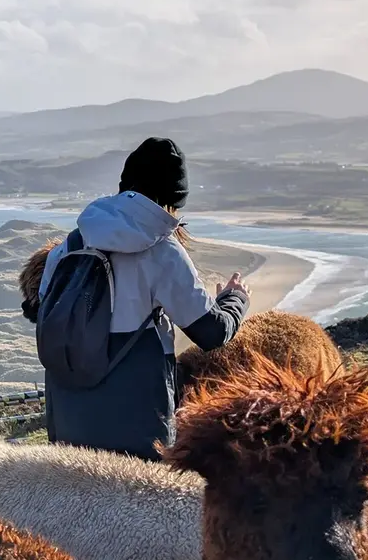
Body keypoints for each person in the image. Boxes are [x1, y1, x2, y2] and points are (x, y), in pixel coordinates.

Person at [32, 136, 249, 461]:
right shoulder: (161, 251)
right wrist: (235, 300)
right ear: (171, 201)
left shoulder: (68, 247)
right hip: (138, 431)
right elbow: (211, 333)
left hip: (66, 428)